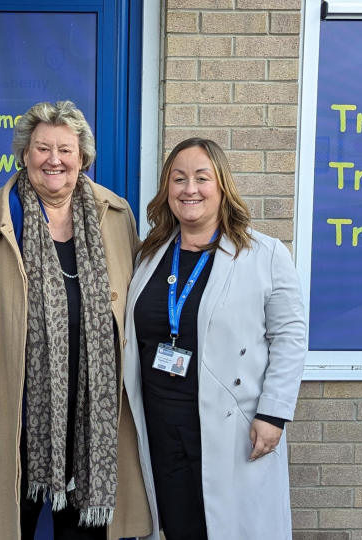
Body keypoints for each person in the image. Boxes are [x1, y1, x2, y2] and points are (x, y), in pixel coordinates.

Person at [0, 101, 152, 540]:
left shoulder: (115, 216)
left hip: (94, 413)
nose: (53, 160)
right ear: (24, 154)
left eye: (65, 149)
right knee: (6, 526)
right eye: (42, 148)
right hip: (13, 412)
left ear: (83, 158)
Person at [123, 138, 306, 540]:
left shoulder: (265, 255)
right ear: (166, 190)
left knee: (227, 528)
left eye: (202, 178)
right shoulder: (149, 255)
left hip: (231, 427)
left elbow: (290, 338)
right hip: (159, 427)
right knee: (177, 526)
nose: (190, 189)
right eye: (179, 178)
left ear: (222, 187)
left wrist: (273, 414)